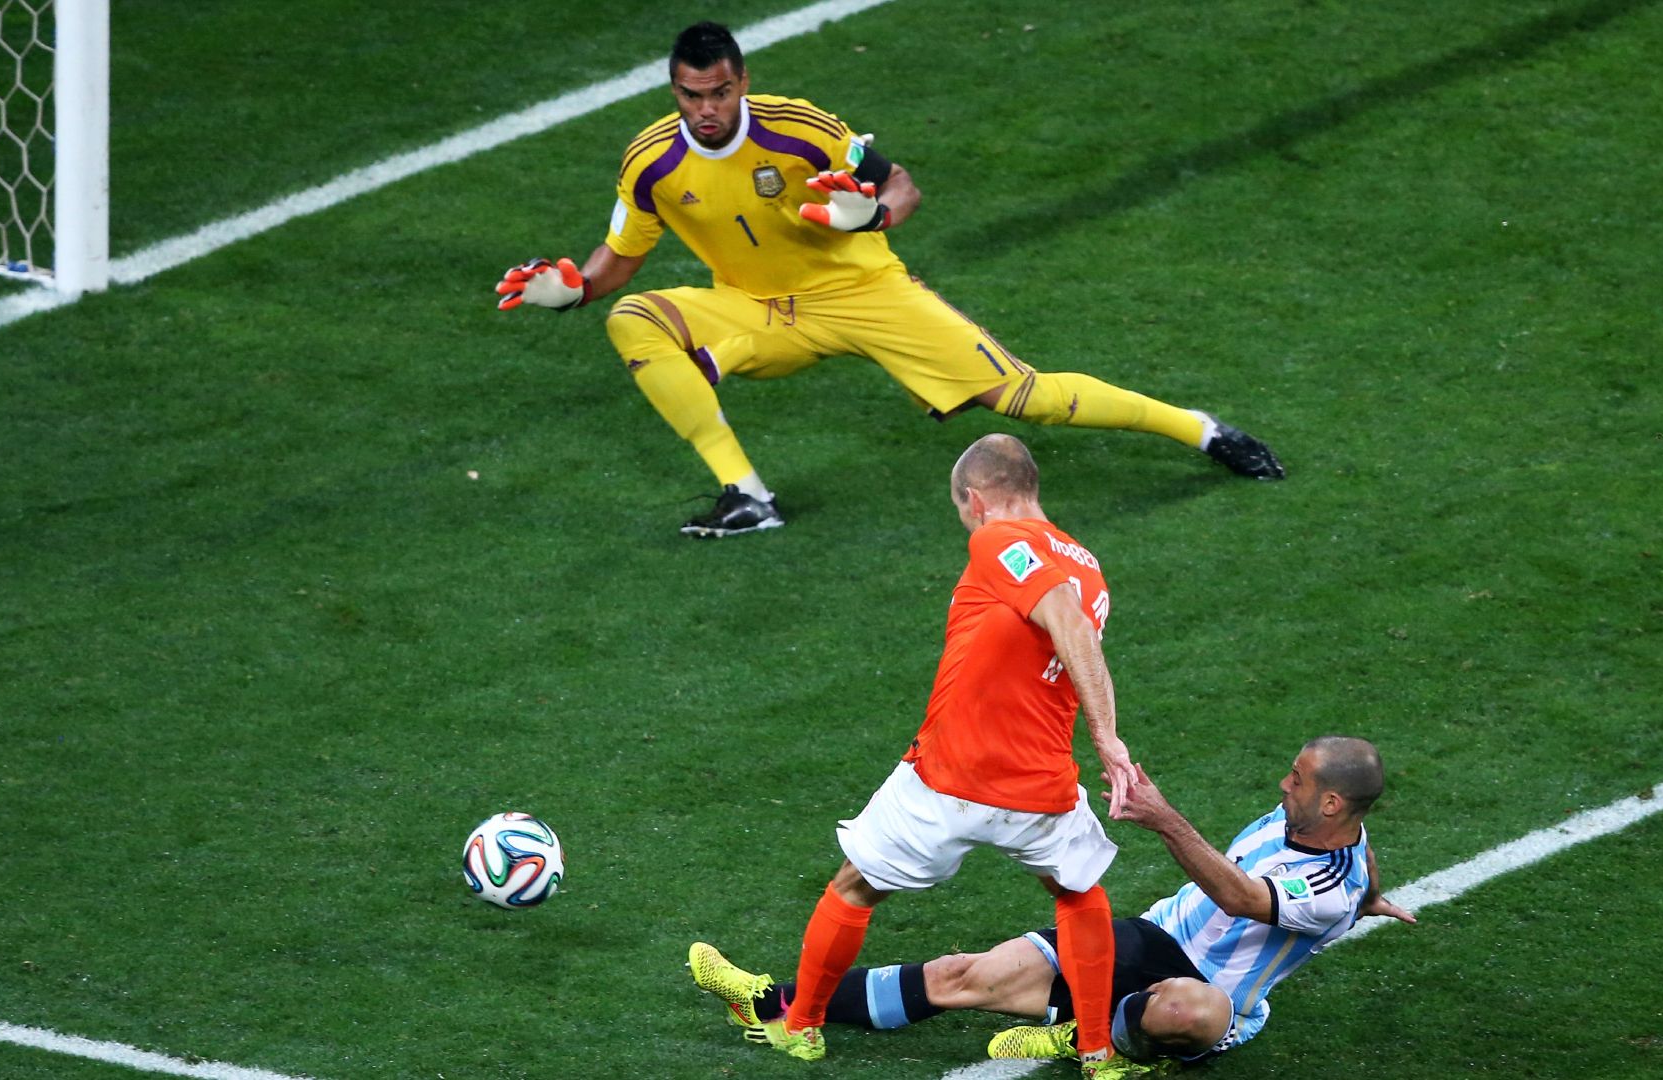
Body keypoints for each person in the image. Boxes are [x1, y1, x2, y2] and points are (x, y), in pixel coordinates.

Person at [496, 21, 1285, 539]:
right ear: (675, 91)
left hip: (864, 293)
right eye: (690, 95)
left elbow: (900, 186)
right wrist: (573, 288)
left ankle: (1203, 430)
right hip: (759, 307)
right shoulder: (650, 161)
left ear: (741, 82)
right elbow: (618, 257)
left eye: (719, 92)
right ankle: (750, 496)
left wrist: (866, 219)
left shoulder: (800, 130)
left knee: (1022, 396)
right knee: (633, 315)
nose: (706, 109)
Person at [690, 433, 1148, 1076]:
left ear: (976, 498)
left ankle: (800, 1026)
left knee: (852, 889)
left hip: (949, 776)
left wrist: (1108, 736)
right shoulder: (1089, 564)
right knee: (1078, 894)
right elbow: (1070, 636)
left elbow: (1065, 623)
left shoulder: (997, 538)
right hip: (1040, 784)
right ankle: (1098, 1050)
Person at [696, 737, 1414, 1067]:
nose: (1282, 782)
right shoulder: (1320, 825)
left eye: (1296, 777)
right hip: (1148, 937)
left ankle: (1089, 1036)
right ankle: (768, 1001)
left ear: (1329, 799)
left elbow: (1237, 893)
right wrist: (1374, 898)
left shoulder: (1324, 888)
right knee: (960, 978)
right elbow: (1364, 855)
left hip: (1216, 993)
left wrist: (1162, 817)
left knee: (1189, 1011)